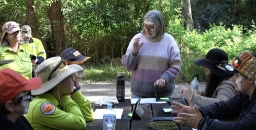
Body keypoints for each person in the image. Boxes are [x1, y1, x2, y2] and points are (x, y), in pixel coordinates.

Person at [171, 50, 256, 130]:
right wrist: (196, 111)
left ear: (250, 79)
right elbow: (222, 108)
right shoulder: (245, 96)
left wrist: (202, 123)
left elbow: (240, 127)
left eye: (237, 75)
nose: (233, 78)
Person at [122, 10, 182, 98]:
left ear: (159, 27)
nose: (147, 29)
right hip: (138, 94)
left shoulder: (169, 41)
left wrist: (164, 79)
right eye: (145, 26)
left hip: (163, 94)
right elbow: (128, 66)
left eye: (151, 27)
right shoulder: (137, 39)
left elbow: (176, 65)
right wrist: (134, 53)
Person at [24, 56, 94, 129]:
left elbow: (88, 116)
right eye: (70, 76)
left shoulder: (57, 98)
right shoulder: (42, 106)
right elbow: (80, 123)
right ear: (59, 83)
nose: (74, 78)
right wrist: (66, 99)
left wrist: (75, 91)